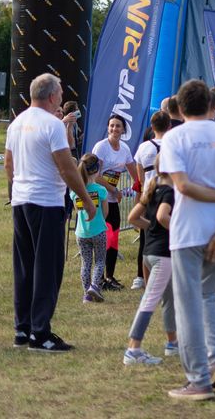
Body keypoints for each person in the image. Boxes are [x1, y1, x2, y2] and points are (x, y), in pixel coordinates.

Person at [161, 79, 215, 399]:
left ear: (181, 108)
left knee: (187, 306)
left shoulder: (175, 138)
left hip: (187, 231)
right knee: (208, 296)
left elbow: (182, 186)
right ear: (212, 104)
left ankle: (198, 379)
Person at [5, 73, 96, 353]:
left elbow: (8, 164)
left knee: (25, 267)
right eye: (60, 91)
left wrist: (14, 194)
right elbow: (67, 167)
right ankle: (40, 333)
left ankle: (23, 329)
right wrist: (86, 200)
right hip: (46, 202)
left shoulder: (17, 123)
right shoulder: (53, 125)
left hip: (22, 200)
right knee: (47, 268)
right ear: (53, 96)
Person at [123, 153, 177, 365]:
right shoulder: (169, 192)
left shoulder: (153, 187)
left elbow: (133, 217)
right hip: (162, 255)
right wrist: (180, 231)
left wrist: (152, 227)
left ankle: (172, 343)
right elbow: (163, 216)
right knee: (149, 301)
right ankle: (133, 349)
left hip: (149, 253)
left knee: (170, 298)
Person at [90, 114, 139, 291]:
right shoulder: (101, 147)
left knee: (114, 238)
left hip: (113, 199)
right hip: (101, 198)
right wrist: (113, 190)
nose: (114, 129)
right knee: (103, 238)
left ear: (123, 130)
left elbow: (135, 174)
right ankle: (99, 278)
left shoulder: (125, 149)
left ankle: (110, 276)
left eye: (118, 126)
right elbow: (95, 174)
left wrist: (140, 188)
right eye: (111, 126)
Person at [132, 110, 171, 291]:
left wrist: (142, 193)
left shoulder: (143, 147)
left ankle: (141, 276)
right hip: (169, 193)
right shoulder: (173, 145)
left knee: (146, 238)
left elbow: (139, 177)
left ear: (152, 127)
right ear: (169, 126)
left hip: (149, 195)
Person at [72, 154, 108, 303]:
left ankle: (87, 293)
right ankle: (94, 286)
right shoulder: (101, 190)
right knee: (100, 260)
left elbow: (77, 211)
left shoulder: (75, 191)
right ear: (96, 170)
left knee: (85, 262)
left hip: (81, 232)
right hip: (98, 230)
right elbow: (105, 212)